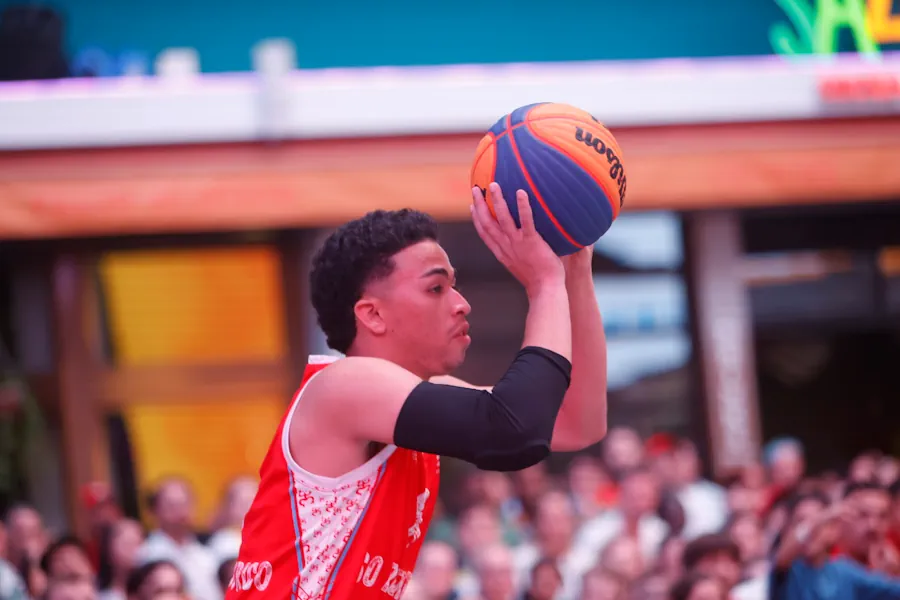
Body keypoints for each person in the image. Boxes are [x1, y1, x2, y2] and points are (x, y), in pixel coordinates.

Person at [227, 184, 609, 599]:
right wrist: (545, 285)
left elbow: (578, 422)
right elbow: (513, 430)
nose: (462, 303)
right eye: (436, 288)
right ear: (372, 314)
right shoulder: (344, 385)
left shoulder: (409, 397)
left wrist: (575, 271)